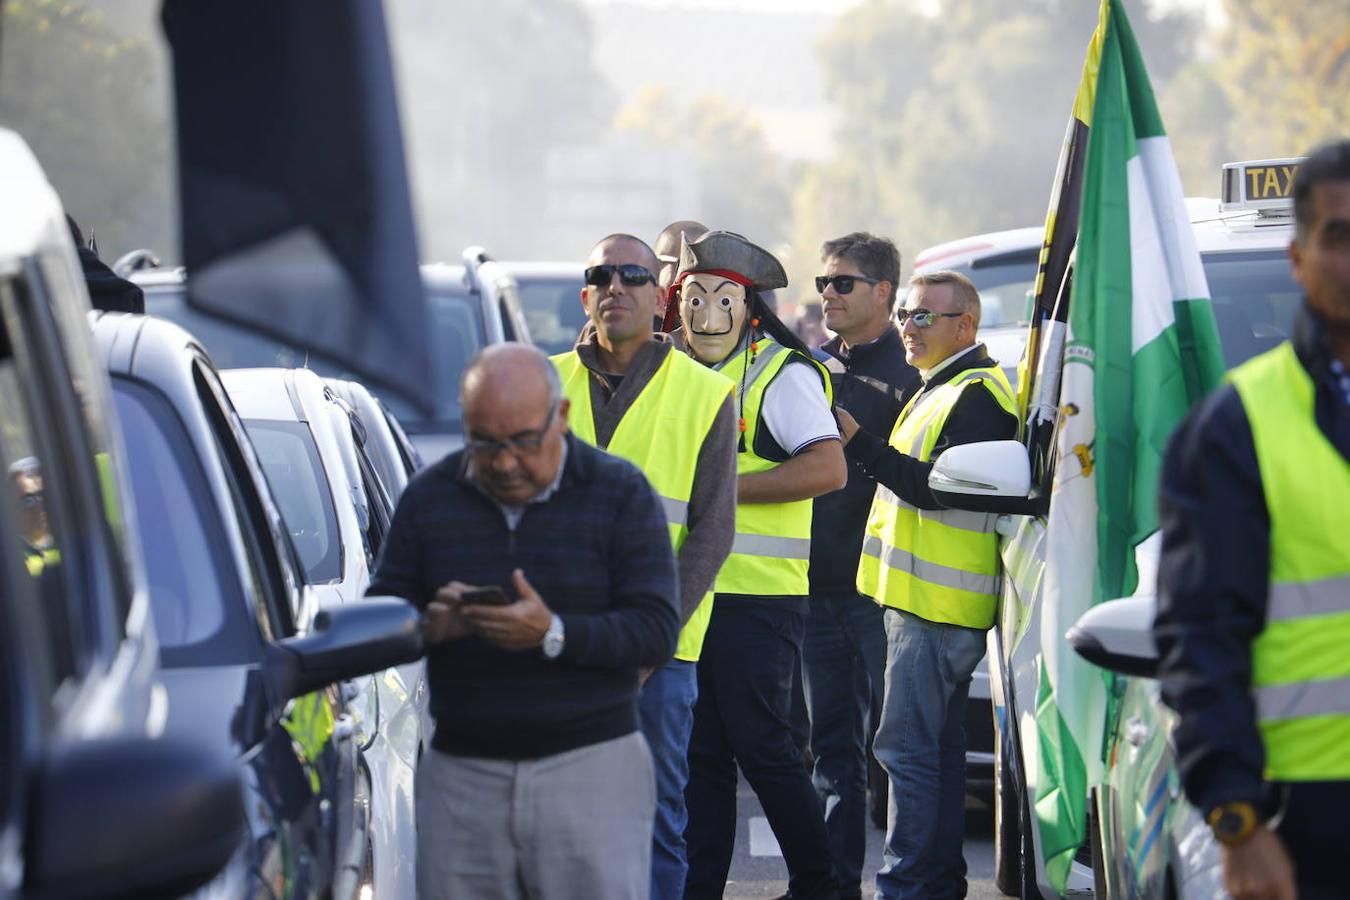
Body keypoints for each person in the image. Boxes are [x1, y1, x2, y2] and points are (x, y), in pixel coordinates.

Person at [367, 343, 680, 900]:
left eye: (523, 442)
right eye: (485, 444)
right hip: (464, 779)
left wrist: (554, 633)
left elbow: (655, 629)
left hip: (590, 772)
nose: (505, 462)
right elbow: (380, 617)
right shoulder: (431, 497)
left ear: (559, 418)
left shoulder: (620, 492)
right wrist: (425, 628)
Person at [1155, 139, 1350, 900]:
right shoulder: (1238, 425)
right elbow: (1201, 634)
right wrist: (1237, 819)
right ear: (1298, 259)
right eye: (1339, 236)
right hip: (1310, 817)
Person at [552, 233, 738, 900]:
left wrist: (651, 641)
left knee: (656, 822)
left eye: (632, 275)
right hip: (556, 647)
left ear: (659, 296)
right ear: (585, 294)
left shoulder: (706, 394)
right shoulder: (545, 382)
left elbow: (713, 531)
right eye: (601, 275)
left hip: (661, 656)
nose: (616, 287)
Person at [669, 230, 846, 900]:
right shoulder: (681, 372)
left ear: (749, 307)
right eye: (693, 298)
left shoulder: (782, 372)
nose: (705, 313)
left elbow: (828, 467)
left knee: (765, 751)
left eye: (721, 298)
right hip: (694, 596)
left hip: (756, 600)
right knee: (701, 758)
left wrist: (722, 489)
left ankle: (820, 886)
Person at [836, 270, 1017, 899]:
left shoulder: (976, 393)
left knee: (907, 755)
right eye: (907, 316)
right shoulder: (941, 385)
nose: (908, 328)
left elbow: (938, 490)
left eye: (923, 317)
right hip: (920, 607)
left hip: (938, 611)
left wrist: (859, 444)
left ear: (964, 325)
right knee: (933, 755)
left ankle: (907, 886)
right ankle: (935, 882)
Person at [801, 233, 920, 900]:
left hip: (883, 593)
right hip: (817, 592)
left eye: (842, 283)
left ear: (883, 291)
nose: (828, 294)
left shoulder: (911, 376)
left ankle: (908, 884)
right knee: (834, 757)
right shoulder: (809, 366)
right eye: (823, 282)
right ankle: (835, 886)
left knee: (900, 754)